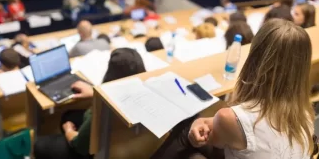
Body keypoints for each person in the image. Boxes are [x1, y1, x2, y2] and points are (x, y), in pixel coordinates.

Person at [153, 19, 315, 159]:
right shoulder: (306, 114)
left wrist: (197, 123)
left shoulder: (232, 118)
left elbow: (215, 133)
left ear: (255, 58)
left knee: (187, 143)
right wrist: (200, 122)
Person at [34, 48, 147, 159]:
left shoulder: (103, 109)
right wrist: (95, 92)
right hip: (119, 142)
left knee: (39, 146)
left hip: (91, 149)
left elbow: (79, 145)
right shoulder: (138, 93)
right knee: (68, 115)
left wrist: (68, 130)